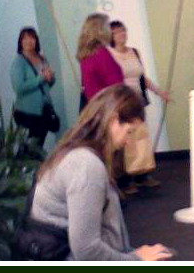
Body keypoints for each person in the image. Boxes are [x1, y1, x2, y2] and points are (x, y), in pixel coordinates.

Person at [29, 85, 173, 261]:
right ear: (113, 120)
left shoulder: (76, 153)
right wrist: (137, 260)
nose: (128, 141)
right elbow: (86, 251)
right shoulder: (86, 165)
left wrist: (133, 255)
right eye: (129, 132)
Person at [109, 20, 170, 192]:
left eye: (123, 30)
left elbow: (142, 78)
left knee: (140, 138)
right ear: (111, 36)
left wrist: (159, 92)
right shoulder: (110, 54)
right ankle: (123, 180)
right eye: (117, 32)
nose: (122, 34)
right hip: (120, 102)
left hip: (137, 101)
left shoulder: (134, 52)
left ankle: (142, 175)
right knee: (122, 140)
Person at [10, 27, 56, 147]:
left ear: (36, 40)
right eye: (24, 38)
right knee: (29, 150)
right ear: (20, 42)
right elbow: (19, 88)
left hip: (44, 111)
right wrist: (41, 78)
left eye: (32, 37)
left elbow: (47, 84)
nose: (28, 41)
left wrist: (51, 78)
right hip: (27, 113)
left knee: (38, 147)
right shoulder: (18, 62)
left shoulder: (42, 58)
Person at [77, 14, 123, 108]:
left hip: (95, 107)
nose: (110, 30)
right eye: (108, 26)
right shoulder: (101, 53)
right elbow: (115, 84)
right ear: (101, 30)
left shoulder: (85, 55)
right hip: (108, 106)